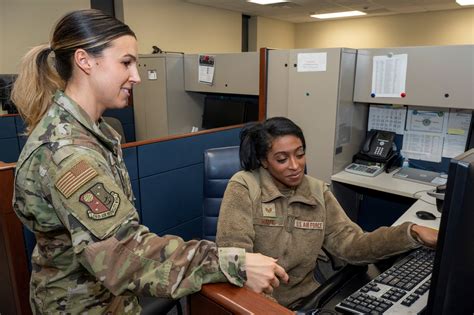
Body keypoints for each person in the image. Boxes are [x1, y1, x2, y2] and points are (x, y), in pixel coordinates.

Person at [11, 9, 288, 314]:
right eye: (126, 62)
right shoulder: (68, 153)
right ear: (85, 60)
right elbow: (123, 255)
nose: (137, 76)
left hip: (108, 298)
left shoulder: (96, 131)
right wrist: (234, 263)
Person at [216, 117, 438, 309]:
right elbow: (236, 261)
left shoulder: (316, 192)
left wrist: (411, 232)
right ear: (264, 161)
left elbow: (353, 245)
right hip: (258, 303)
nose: (295, 165)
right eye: (282, 159)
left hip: (309, 301)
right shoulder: (244, 186)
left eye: (300, 154)